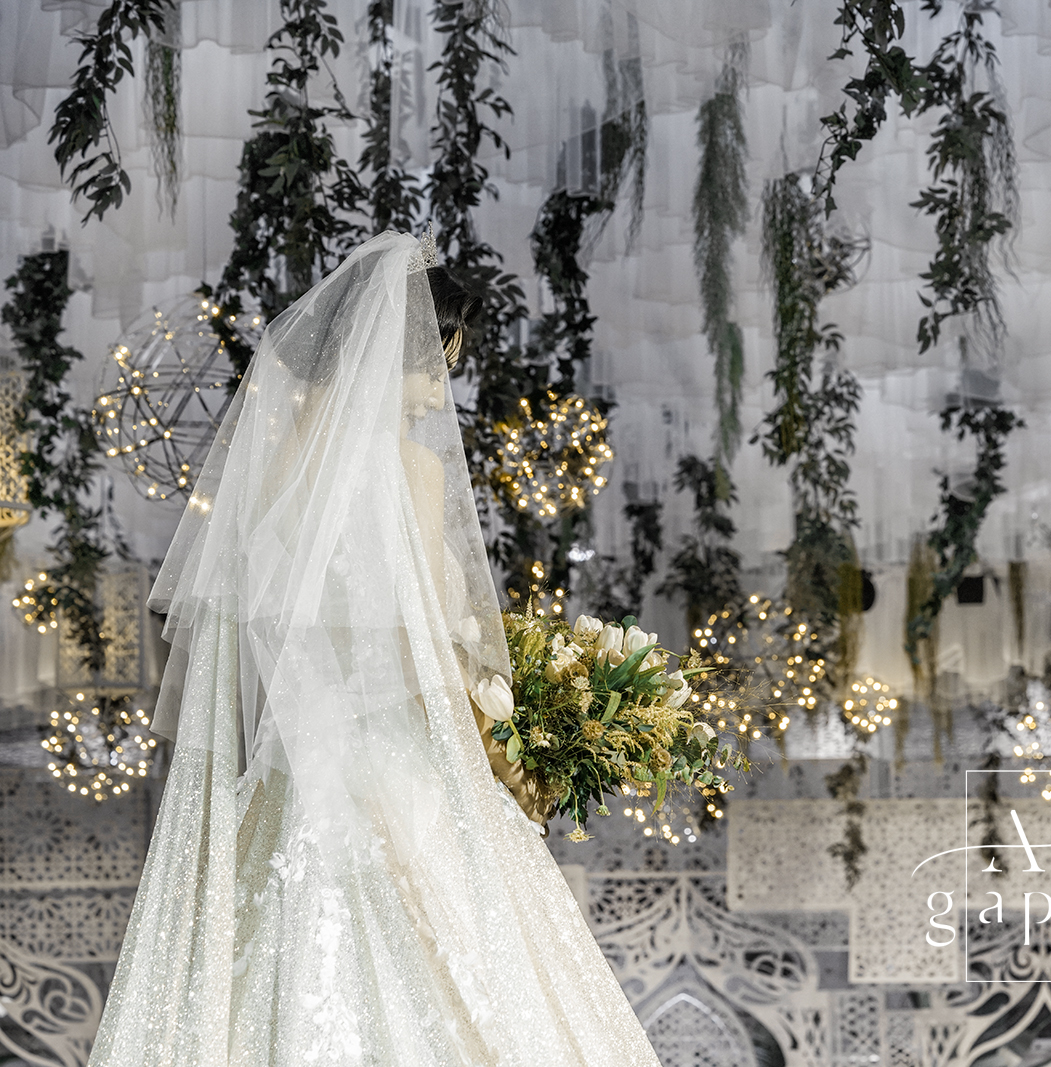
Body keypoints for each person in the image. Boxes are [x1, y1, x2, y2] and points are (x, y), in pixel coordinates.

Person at [88, 231, 661, 1066]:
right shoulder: (412, 469)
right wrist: (491, 749)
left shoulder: (269, 471)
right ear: (389, 348)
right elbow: (413, 645)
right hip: (395, 762)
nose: (437, 390)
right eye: (433, 362)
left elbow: (267, 648)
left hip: (295, 766)